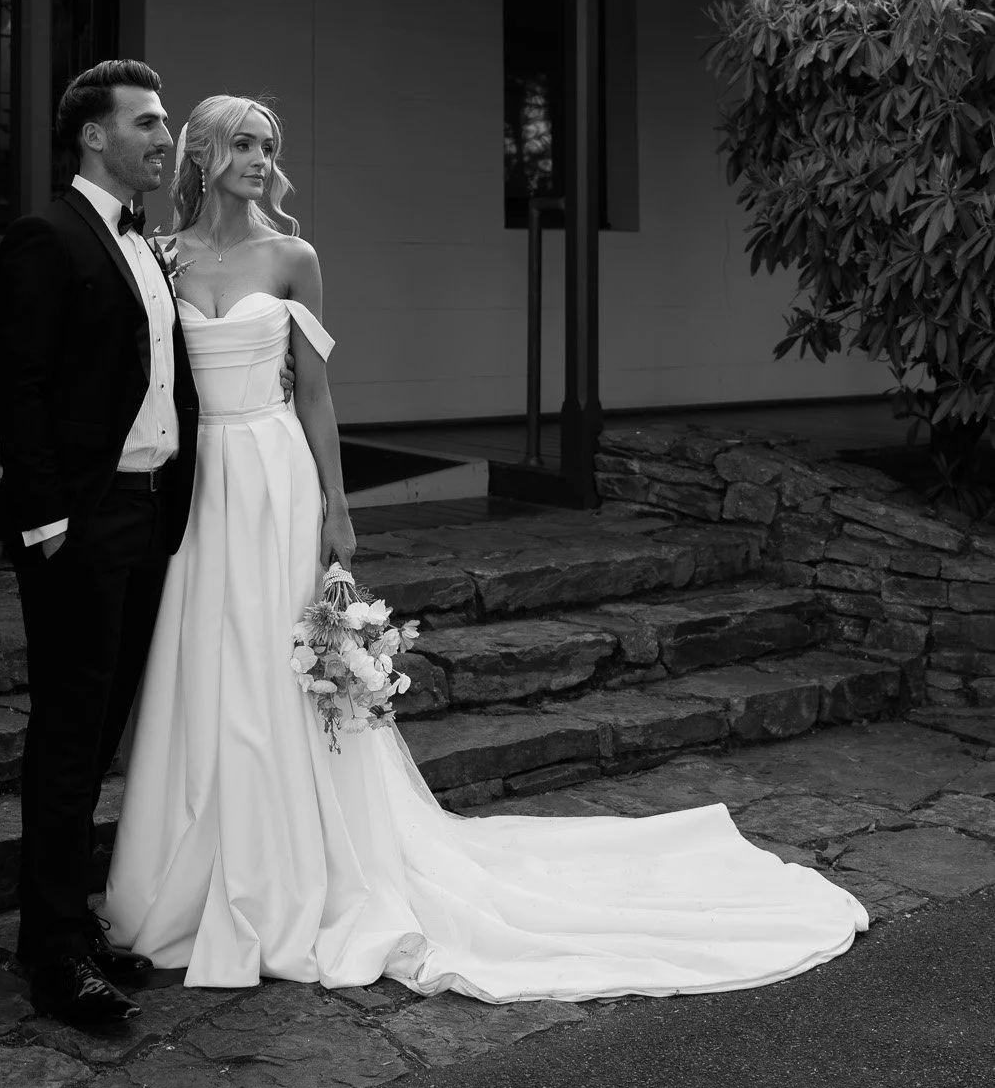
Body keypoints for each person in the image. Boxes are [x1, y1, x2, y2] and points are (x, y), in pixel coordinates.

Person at [105, 94, 868, 1001]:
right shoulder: (162, 258)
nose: (262, 158)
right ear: (202, 155)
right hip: (201, 490)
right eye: (242, 143)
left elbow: (314, 394)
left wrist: (337, 508)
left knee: (273, 663)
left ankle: (288, 870)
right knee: (206, 659)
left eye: (270, 145)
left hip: (274, 479)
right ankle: (199, 862)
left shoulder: (294, 257)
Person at [0, 59, 197, 1027]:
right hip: (82, 521)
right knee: (69, 737)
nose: (163, 136)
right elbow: (16, 386)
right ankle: (55, 953)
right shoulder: (46, 235)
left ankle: (72, 921)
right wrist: (50, 520)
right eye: (146, 121)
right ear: (93, 135)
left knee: (102, 729)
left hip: (149, 514)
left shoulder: (147, 244)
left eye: (163, 122)